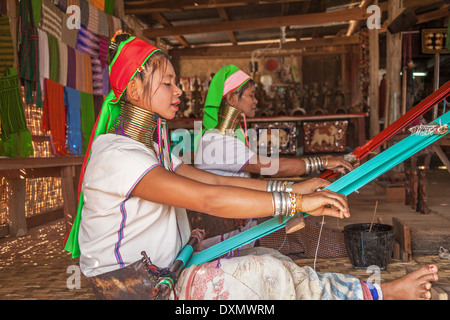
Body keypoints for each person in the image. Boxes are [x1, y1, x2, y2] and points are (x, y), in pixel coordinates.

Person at [64, 32, 439, 300]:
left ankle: (370, 292)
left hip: (165, 266)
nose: (179, 91)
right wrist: (296, 199)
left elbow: (209, 180)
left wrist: (298, 190)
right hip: (137, 286)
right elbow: (208, 197)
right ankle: (382, 294)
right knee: (270, 272)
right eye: (168, 83)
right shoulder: (117, 155)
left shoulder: (154, 148)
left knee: (270, 259)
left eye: (177, 82)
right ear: (133, 90)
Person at [192, 65, 353, 254]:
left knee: (304, 224)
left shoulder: (222, 137)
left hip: (240, 223)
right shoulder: (217, 141)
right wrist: (322, 162)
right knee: (309, 235)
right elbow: (274, 168)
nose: (255, 101)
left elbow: (248, 183)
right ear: (231, 98)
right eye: (251, 95)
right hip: (231, 236)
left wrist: (297, 191)